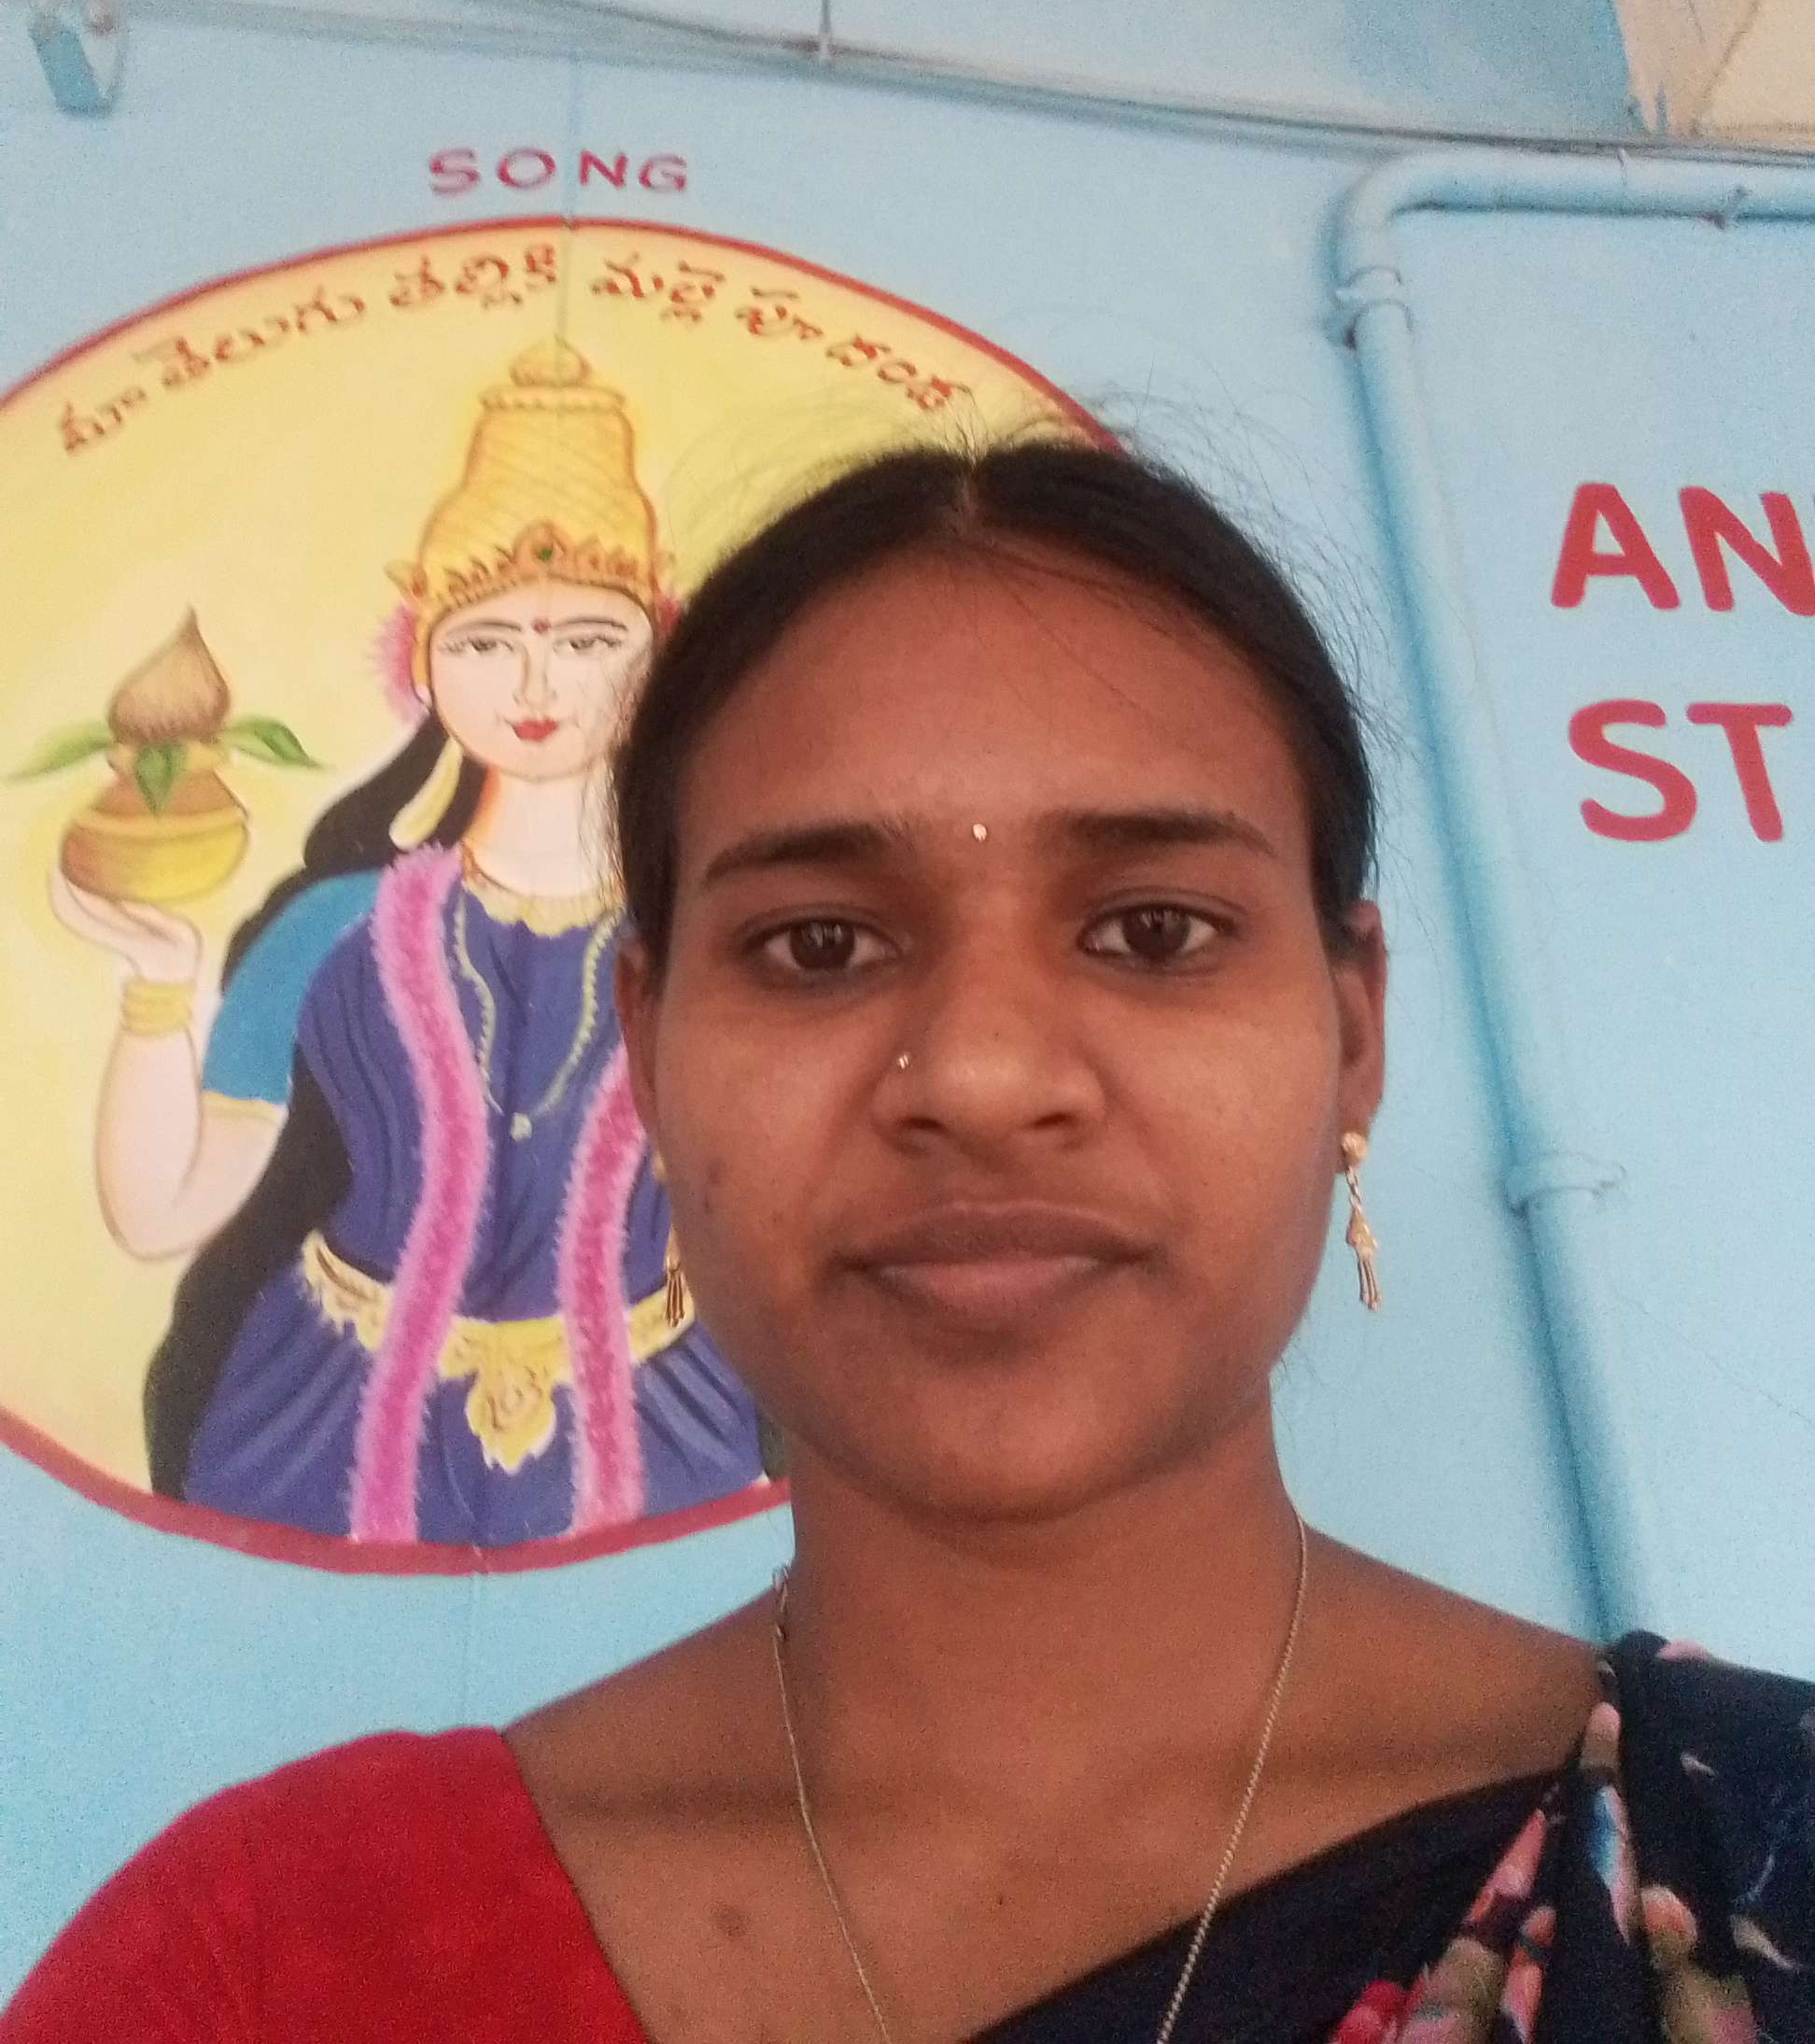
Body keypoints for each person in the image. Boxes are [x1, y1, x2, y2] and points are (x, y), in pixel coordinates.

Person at [7, 434, 1809, 2040]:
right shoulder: (275, 1966)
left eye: (1155, 931)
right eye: (820, 945)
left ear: (1354, 1031)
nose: (982, 1077)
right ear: (653, 1050)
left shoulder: (1745, 1854)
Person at [47, 337, 763, 1545]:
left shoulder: (727, 939)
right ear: (421, 662)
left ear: (658, 660)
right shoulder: (332, 931)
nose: (537, 682)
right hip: (327, 1421)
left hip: (663, 1424)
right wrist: (159, 993)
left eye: (588, 640)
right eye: (487, 641)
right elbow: (161, 1215)